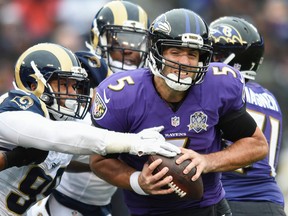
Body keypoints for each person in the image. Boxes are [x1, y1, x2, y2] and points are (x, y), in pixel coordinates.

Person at [88, 8, 268, 216]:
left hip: (208, 207)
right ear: (156, 52)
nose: (184, 62)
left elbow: (257, 144)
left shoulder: (217, 86)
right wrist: (137, 180)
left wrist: (208, 161)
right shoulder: (122, 95)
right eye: (175, 52)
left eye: (192, 54)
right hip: (149, 211)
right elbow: (99, 161)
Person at [0, 42, 180, 215]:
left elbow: (92, 154)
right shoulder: (13, 108)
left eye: (74, 85)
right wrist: (132, 142)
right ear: (34, 85)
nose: (73, 93)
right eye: (64, 84)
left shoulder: (61, 122)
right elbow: (60, 136)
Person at [28, 1, 150, 215]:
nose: (129, 49)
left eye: (136, 40)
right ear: (98, 37)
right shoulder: (79, 73)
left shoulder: (147, 85)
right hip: (53, 196)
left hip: (104, 203)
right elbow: (55, 149)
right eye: (120, 38)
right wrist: (108, 157)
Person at [210, 16, 286, 216]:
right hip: (271, 203)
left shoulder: (219, 88)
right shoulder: (268, 96)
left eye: (215, 54)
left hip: (229, 201)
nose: (207, 59)